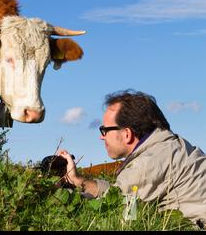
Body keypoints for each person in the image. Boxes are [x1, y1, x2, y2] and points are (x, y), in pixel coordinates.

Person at [58, 89, 206, 227]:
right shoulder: (169, 146)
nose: (101, 137)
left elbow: (118, 214)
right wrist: (77, 180)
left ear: (127, 134)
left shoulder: (146, 164)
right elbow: (120, 193)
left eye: (104, 130)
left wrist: (60, 193)